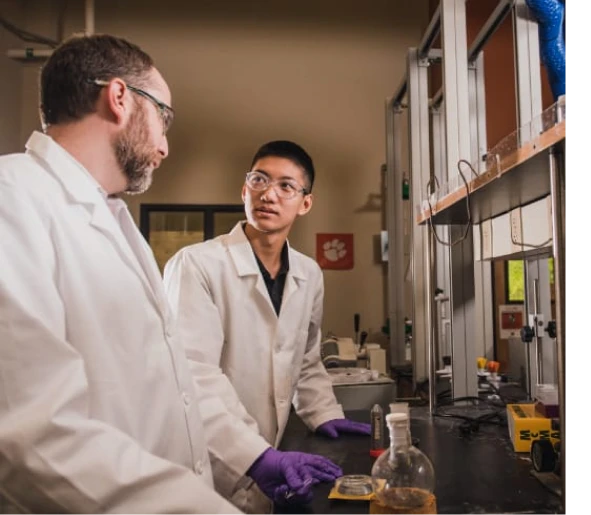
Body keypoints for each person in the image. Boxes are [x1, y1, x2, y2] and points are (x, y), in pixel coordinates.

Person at [0, 34, 246, 513]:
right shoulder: (12, 198)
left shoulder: (111, 218)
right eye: (164, 118)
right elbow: (30, 437)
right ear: (118, 98)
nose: (165, 146)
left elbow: (169, 387)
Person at [163, 141, 370, 513]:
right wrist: (254, 457)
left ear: (305, 203)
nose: (268, 194)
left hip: (268, 463)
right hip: (205, 463)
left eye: (286, 186)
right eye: (259, 180)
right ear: (244, 190)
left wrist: (324, 413)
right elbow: (191, 375)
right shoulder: (196, 265)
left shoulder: (308, 273)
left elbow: (305, 359)